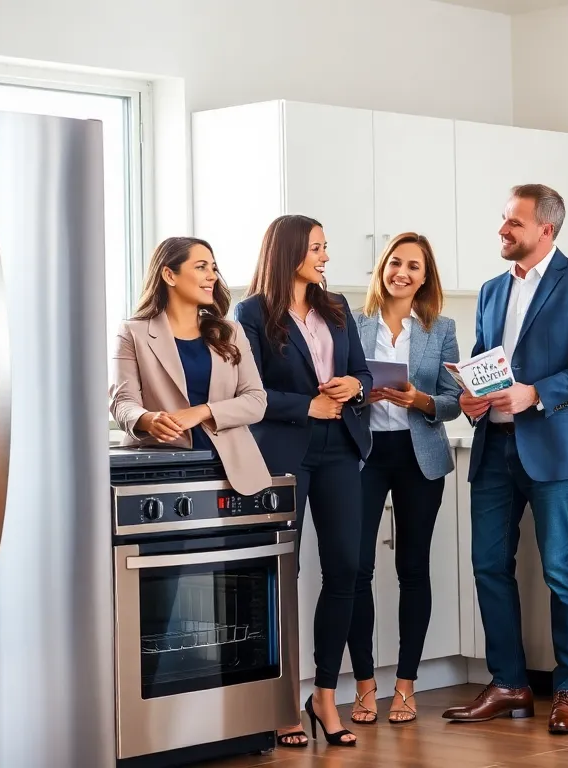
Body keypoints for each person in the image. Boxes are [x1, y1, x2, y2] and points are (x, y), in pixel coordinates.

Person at [442, 184, 568, 736]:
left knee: (560, 571)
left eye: (513, 222)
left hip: (550, 448)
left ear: (545, 229)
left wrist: (535, 392)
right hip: (493, 447)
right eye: (503, 219)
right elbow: (484, 359)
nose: (502, 230)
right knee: (488, 566)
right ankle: (510, 683)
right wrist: (471, 396)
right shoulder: (492, 290)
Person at [235, 214, 374, 748]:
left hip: (341, 450)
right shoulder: (250, 314)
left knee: (345, 569)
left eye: (325, 247)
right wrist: (307, 405)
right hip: (283, 453)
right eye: (317, 247)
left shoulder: (335, 308)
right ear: (289, 250)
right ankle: (280, 698)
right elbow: (247, 391)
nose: (325, 256)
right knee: (281, 577)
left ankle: (322, 693)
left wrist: (351, 387)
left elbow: (362, 372)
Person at [346, 232, 461, 726]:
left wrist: (420, 400)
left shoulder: (442, 328)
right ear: (382, 267)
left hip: (420, 457)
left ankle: (407, 686)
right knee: (354, 572)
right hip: (364, 456)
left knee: (413, 568)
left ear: (425, 276)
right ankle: (366, 687)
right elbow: (333, 387)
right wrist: (359, 395)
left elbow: (456, 400)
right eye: (396, 263)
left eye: (415, 266)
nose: (404, 273)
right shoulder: (352, 323)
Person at [108, 236, 271, 494]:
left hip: (230, 470)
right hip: (160, 468)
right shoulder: (133, 332)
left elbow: (256, 400)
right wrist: (147, 419)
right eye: (201, 267)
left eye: (214, 268)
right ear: (169, 275)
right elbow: (122, 402)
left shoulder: (231, 332)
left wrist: (202, 411)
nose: (212, 276)